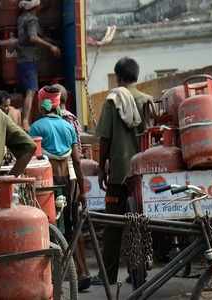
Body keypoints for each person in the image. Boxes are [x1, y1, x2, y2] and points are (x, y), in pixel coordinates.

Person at [95, 57, 153, 285]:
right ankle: (138, 272)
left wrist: (101, 168)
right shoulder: (147, 100)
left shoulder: (112, 100)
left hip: (119, 174)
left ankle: (108, 275)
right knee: (140, 224)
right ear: (136, 76)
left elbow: (105, 138)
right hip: (143, 176)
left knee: (113, 225)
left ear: (117, 76)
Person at [29, 85, 90, 291]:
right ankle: (82, 271)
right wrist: (83, 191)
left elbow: (32, 160)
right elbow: (77, 161)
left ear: (42, 105)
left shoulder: (36, 127)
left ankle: (56, 280)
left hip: (48, 183)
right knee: (72, 225)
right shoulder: (68, 127)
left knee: (50, 227)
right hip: (70, 181)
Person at [17, 0, 61, 131]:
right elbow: (33, 37)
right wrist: (51, 46)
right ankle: (25, 122)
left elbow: (37, 35)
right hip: (29, 58)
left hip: (22, 58)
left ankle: (26, 120)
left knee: (27, 91)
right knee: (31, 91)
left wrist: (51, 41)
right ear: (35, 6)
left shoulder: (21, 18)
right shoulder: (32, 19)